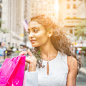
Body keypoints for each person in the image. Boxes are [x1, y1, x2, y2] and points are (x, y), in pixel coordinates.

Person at [20, 15, 79, 86]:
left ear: (49, 33)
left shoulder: (70, 62)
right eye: (29, 32)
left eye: (35, 30)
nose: (30, 35)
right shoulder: (27, 62)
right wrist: (28, 67)